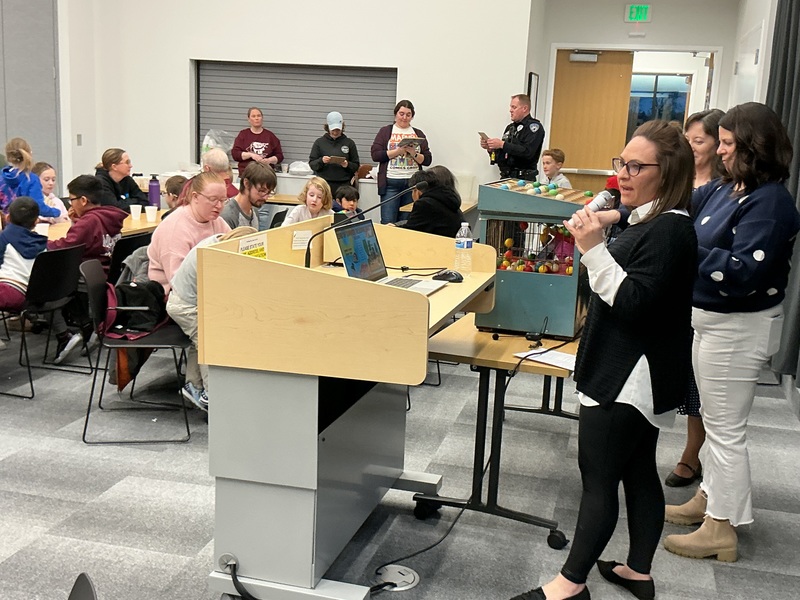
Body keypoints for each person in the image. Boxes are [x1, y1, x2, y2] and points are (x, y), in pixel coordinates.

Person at [511, 121, 697, 600]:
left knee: (598, 480)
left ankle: (569, 585)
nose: (623, 174)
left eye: (636, 166)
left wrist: (593, 249)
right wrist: (606, 219)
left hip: (628, 373)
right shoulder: (656, 219)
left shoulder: (669, 231)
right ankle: (638, 571)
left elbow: (633, 302)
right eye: (622, 163)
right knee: (638, 471)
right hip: (638, 370)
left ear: (667, 171)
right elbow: (634, 228)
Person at [663, 102, 800, 563]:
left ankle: (721, 528)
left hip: (738, 329)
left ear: (751, 147)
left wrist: (687, 249)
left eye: (726, 143)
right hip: (712, 324)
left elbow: (742, 272)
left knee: (725, 431)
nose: (719, 151)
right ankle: (710, 500)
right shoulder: (727, 188)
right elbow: (679, 212)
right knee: (718, 423)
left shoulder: (771, 202)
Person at [665, 108, 726, 488]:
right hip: (671, 289)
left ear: (719, 145)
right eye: (687, 139)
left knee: (697, 382)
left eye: (698, 140)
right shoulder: (678, 177)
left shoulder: (722, 190)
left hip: (701, 294)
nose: (689, 146)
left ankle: (691, 455)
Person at [167, 226, 258, 410]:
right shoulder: (213, 256)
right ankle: (212, 395)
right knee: (208, 343)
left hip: (188, 300)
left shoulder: (219, 243)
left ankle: (193, 386)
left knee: (200, 340)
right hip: (184, 306)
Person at [48, 175, 128, 363]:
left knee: (50, 281)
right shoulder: (109, 216)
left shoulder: (89, 222)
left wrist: (42, 242)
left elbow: (67, 246)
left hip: (88, 276)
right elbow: (90, 240)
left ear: (83, 200)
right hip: (107, 272)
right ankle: (87, 326)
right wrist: (77, 222)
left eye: (72, 199)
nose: (71, 204)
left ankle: (75, 330)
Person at [147, 172, 231, 295]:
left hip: (208, 287)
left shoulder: (217, 222)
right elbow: (179, 283)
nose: (219, 206)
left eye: (223, 200)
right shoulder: (174, 228)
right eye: (213, 199)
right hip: (173, 297)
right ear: (195, 197)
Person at [370, 100, 432, 224]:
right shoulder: (385, 131)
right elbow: (375, 155)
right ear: (395, 114)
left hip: (412, 184)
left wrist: (413, 153)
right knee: (388, 221)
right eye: (401, 114)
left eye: (408, 115)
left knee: (407, 221)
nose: (404, 118)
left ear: (412, 116)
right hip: (390, 183)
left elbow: (427, 160)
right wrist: (397, 151)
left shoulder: (418, 133)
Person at [480, 94, 545, 181]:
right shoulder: (510, 128)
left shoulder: (533, 127)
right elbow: (503, 158)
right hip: (506, 177)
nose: (510, 110)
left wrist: (502, 144)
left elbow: (527, 152)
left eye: (514, 107)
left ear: (524, 108)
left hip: (523, 179)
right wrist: (491, 149)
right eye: (511, 107)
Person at [0, 197, 48, 312]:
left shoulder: (4, 238)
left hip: (8, 293)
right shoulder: (41, 242)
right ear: (36, 221)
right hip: (35, 295)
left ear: (7, 218)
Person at [1, 138, 62, 219]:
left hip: (5, 223)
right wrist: (57, 212)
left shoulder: (2, 177)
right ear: (29, 153)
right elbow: (38, 207)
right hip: (25, 223)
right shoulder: (31, 179)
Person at [393, 167, 464, 238]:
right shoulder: (445, 198)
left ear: (416, 190)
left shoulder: (424, 204)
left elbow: (411, 231)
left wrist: (394, 228)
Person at [309, 111, 361, 198]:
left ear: (342, 128)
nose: (335, 132)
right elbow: (312, 164)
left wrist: (347, 164)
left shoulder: (349, 143)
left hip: (344, 185)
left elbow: (356, 165)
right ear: (328, 127)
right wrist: (322, 161)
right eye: (333, 130)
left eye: (338, 130)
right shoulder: (319, 143)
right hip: (324, 184)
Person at [219, 162, 276, 230]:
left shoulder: (254, 212)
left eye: (269, 192)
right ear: (246, 183)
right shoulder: (228, 216)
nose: (265, 198)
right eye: (262, 191)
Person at [231, 106, 283, 175]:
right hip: (246, 174)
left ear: (262, 118)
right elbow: (235, 154)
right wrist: (251, 155)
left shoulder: (270, 136)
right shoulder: (243, 134)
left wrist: (269, 160)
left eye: (259, 116)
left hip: (266, 175)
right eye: (253, 116)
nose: (256, 118)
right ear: (249, 119)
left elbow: (280, 156)